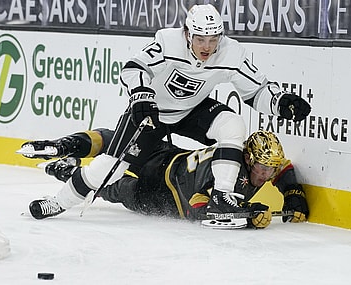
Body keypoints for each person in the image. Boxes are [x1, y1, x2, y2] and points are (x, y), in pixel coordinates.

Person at [25, 4, 310, 220]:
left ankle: (223, 196)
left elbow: (256, 91)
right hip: (153, 110)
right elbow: (133, 68)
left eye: (213, 40)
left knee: (232, 123)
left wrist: (280, 102)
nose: (207, 48)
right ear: (187, 34)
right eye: (200, 40)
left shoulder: (230, 52)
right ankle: (58, 202)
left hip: (192, 110)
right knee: (110, 168)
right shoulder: (168, 41)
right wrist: (140, 97)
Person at [23, 128, 309, 229]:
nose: (266, 174)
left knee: (110, 183)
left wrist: (293, 193)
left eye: (269, 170)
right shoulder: (227, 175)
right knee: (115, 146)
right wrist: (246, 218)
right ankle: (63, 155)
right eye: (261, 167)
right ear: (248, 159)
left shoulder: (246, 158)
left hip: (168, 161)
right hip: (165, 194)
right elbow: (199, 212)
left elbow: (283, 167)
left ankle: (64, 168)